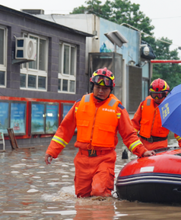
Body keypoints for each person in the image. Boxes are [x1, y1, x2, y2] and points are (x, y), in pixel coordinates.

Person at [43, 68, 153, 198]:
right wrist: (52, 151)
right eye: (97, 87)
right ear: (92, 86)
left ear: (111, 89)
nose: (101, 91)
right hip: (82, 160)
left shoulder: (117, 108)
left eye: (105, 89)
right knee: (82, 198)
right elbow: (64, 130)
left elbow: (129, 135)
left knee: (99, 193)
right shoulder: (80, 104)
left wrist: (142, 151)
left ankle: (103, 217)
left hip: (105, 159)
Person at [132, 78, 181, 151]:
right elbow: (134, 124)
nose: (156, 98)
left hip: (160, 145)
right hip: (143, 145)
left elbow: (178, 128)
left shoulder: (170, 107)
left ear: (165, 93)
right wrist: (132, 140)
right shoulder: (144, 103)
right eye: (154, 94)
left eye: (159, 95)